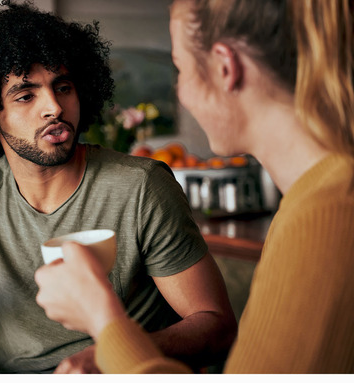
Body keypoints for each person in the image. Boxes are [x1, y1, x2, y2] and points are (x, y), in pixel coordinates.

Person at [0, 0, 237, 374]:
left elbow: (217, 326)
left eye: (63, 87)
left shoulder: (141, 187)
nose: (54, 107)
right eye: (26, 95)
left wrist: (115, 355)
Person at [35, 0, 354, 374]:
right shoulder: (311, 200)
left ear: (224, 68)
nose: (181, 91)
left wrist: (103, 319)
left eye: (180, 69)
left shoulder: (326, 216)